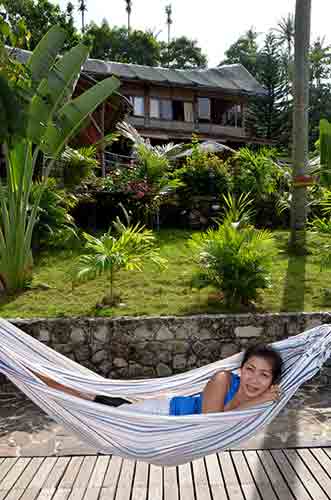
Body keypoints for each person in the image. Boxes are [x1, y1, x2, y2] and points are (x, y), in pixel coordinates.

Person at [33, 343, 282, 415]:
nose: (254, 379)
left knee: (101, 400)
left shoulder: (264, 395)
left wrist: (252, 401)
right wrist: (249, 403)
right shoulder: (224, 379)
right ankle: (33, 373)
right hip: (161, 412)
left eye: (264, 374)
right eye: (250, 369)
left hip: (168, 421)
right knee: (92, 404)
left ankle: (42, 375)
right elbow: (210, 423)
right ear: (241, 369)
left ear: (272, 381)